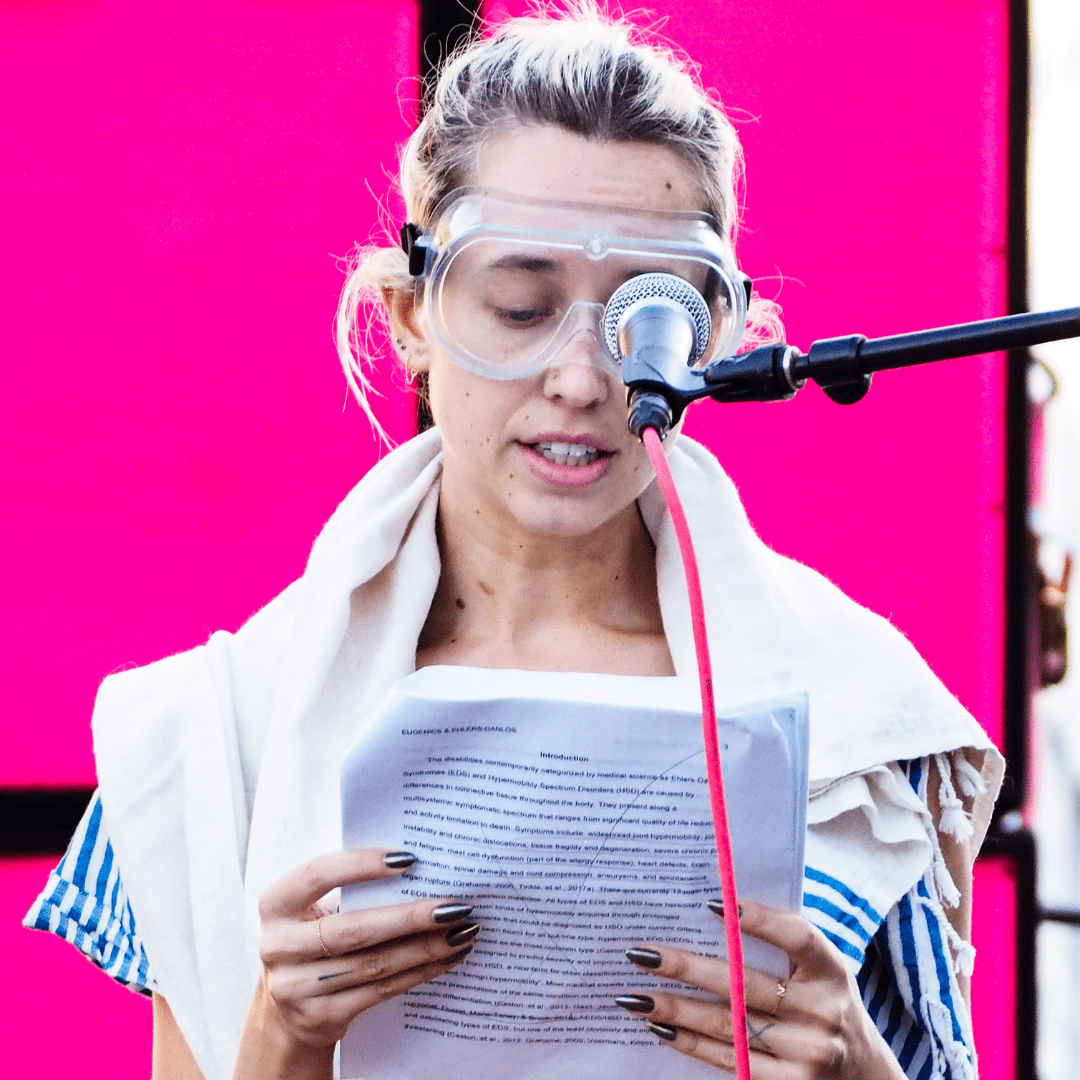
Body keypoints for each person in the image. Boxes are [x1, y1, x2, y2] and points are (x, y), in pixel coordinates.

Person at [26, 6, 1002, 1080]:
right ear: (410, 315)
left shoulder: (865, 723)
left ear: (718, 340)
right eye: (520, 304)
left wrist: (859, 1071)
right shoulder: (209, 744)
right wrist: (282, 1038)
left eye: (645, 323)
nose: (582, 381)